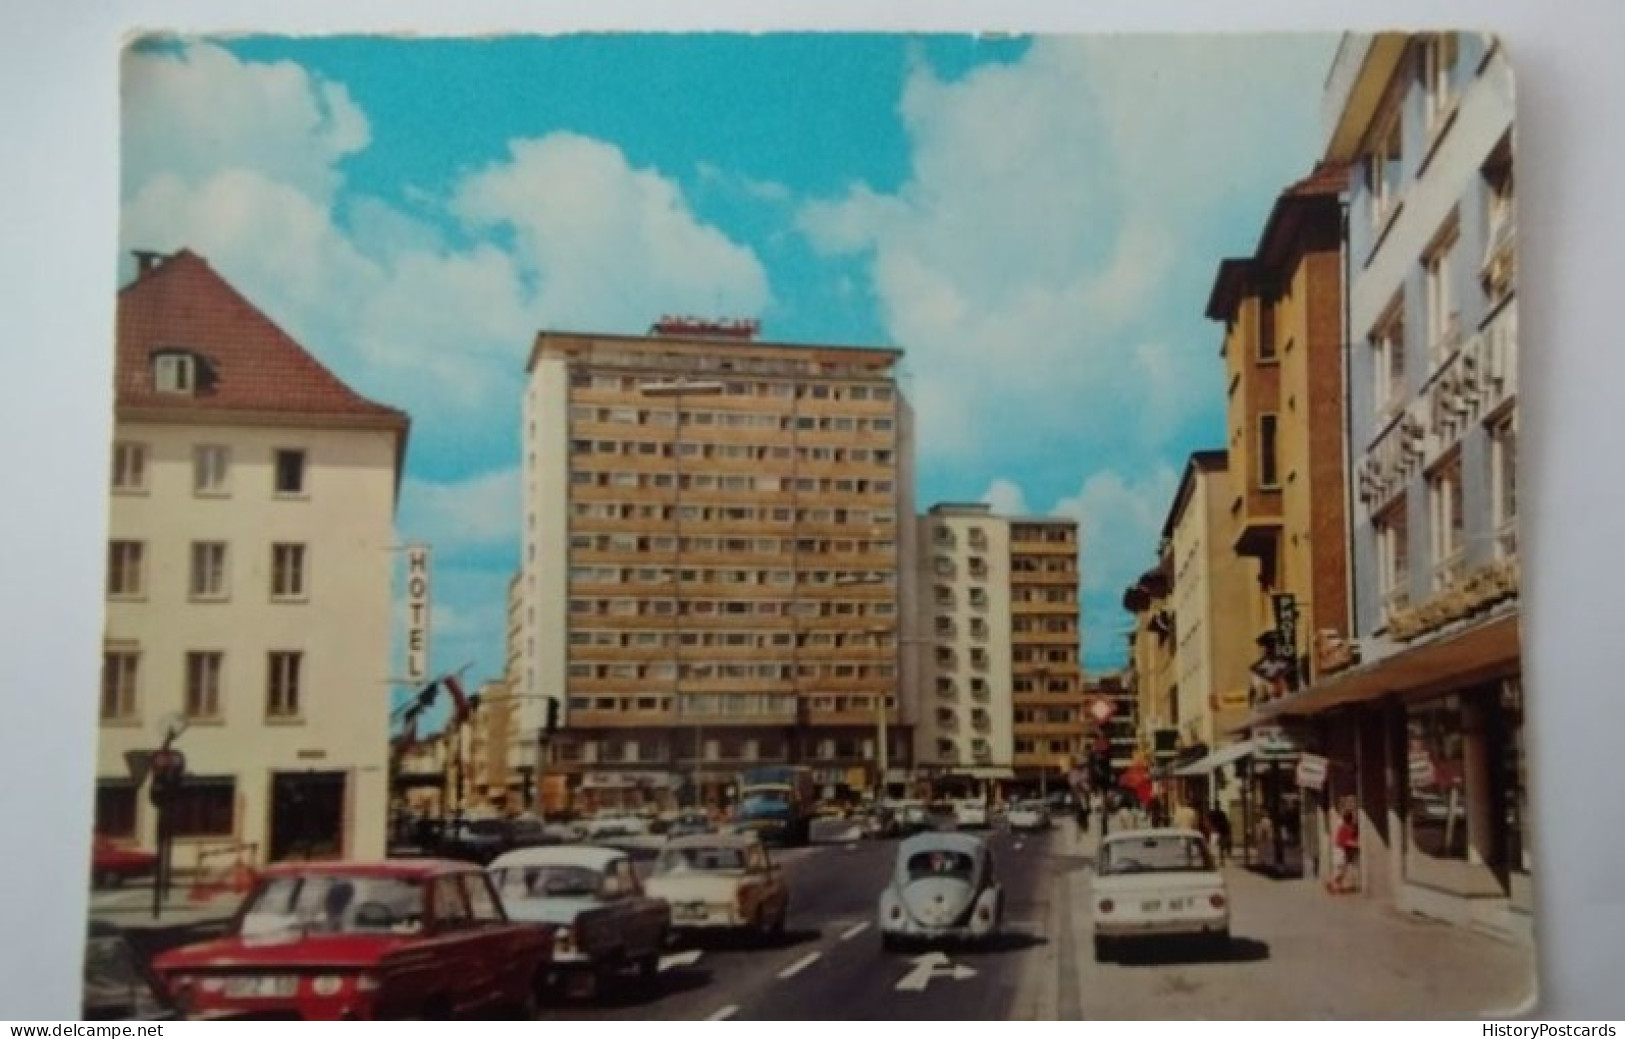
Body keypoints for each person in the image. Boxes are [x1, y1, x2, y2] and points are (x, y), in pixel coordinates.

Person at [1330, 810, 1360, 893]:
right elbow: (1343, 841)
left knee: (1343, 870)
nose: (1351, 820)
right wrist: (1356, 844)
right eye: (1350, 818)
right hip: (1340, 851)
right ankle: (1333, 885)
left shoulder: (1350, 827)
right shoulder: (1343, 828)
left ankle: (1336, 886)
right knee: (1340, 869)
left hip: (1345, 851)